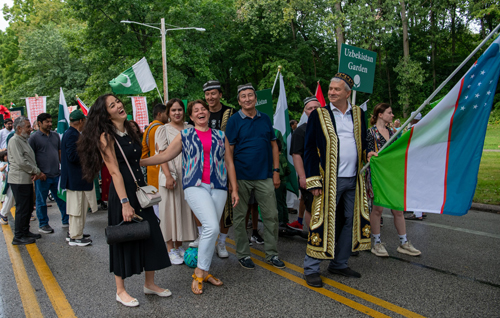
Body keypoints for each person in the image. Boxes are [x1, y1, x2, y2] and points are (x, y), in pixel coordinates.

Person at [78, 94, 171, 307]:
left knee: (151, 235)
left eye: (118, 102)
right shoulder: (106, 136)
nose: (119, 105)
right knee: (122, 239)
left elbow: (136, 160)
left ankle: (150, 284)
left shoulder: (129, 129)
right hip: (123, 194)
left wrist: (166, 154)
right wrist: (124, 203)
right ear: (106, 113)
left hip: (140, 191)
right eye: (112, 105)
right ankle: (120, 291)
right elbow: (115, 172)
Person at [141, 99, 239, 295]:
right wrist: (139, 162)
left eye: (203, 109)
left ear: (208, 114)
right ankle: (199, 272)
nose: (201, 112)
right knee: (210, 226)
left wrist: (234, 189)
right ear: (192, 117)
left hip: (218, 187)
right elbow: (165, 156)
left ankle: (205, 270)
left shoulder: (221, 135)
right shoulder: (185, 135)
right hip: (195, 186)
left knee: (211, 232)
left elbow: (229, 163)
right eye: (196, 110)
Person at [303, 73, 376, 287]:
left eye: (336, 89)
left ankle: (339, 263)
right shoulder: (319, 114)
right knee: (321, 220)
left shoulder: (359, 113)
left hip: (355, 178)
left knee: (350, 222)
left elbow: (365, 140)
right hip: (328, 180)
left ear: (347, 93)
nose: (332, 92)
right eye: (330, 89)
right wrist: (314, 180)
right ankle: (311, 268)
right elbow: (309, 149)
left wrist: (369, 152)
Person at [226, 83, 285, 270]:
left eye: (250, 95)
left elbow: (274, 146)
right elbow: (229, 151)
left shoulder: (265, 119)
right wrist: (231, 181)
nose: (247, 99)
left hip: (264, 175)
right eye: (243, 96)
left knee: (271, 216)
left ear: (255, 98)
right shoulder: (234, 121)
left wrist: (276, 172)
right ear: (239, 100)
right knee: (240, 217)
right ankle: (243, 254)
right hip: (241, 176)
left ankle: (272, 254)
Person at [366, 103, 421, 257]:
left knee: (398, 209)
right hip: (378, 177)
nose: (392, 115)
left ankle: (404, 243)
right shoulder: (370, 133)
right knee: (377, 209)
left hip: (393, 176)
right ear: (380, 115)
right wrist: (369, 155)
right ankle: (376, 243)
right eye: (389, 113)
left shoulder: (394, 133)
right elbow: (366, 152)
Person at [155, 98, 197, 265]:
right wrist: (168, 176)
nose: (177, 113)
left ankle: (180, 245)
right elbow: (162, 155)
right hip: (170, 174)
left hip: (188, 175)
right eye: (173, 110)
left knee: (182, 210)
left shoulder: (191, 128)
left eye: (180, 109)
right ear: (168, 112)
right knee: (169, 211)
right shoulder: (163, 130)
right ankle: (170, 248)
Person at [60, 110, 96, 247]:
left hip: (74, 178)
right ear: (81, 121)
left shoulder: (70, 134)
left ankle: (74, 232)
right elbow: (73, 156)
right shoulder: (72, 135)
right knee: (77, 209)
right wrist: (89, 153)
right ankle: (76, 236)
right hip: (75, 178)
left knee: (76, 208)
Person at [28, 113, 68, 234]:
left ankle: (66, 220)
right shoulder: (33, 138)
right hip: (42, 176)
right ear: (39, 123)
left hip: (56, 174)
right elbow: (31, 157)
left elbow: (60, 152)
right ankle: (43, 224)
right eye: (47, 122)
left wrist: (64, 168)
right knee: (41, 202)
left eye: (51, 121)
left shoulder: (55, 136)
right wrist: (38, 172)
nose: (50, 124)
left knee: (61, 199)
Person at [287, 97, 321, 231]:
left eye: (316, 107)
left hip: (328, 174)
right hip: (309, 176)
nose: (313, 110)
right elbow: (296, 155)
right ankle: (313, 237)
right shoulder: (300, 131)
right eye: (309, 108)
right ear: (305, 111)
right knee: (311, 207)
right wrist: (302, 177)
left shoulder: (330, 127)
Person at [7, 116, 43, 245]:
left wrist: (34, 171)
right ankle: (18, 235)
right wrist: (36, 171)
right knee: (22, 208)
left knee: (28, 208)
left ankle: (25, 231)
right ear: (19, 128)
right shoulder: (15, 140)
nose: (30, 129)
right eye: (28, 127)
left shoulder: (23, 140)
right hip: (19, 180)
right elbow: (22, 162)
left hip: (25, 179)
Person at [141, 104, 168, 217]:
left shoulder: (149, 128)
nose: (168, 117)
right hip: (162, 169)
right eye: (167, 114)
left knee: (155, 203)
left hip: (152, 169)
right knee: (163, 203)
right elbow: (162, 151)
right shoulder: (160, 128)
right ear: (159, 114)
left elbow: (143, 152)